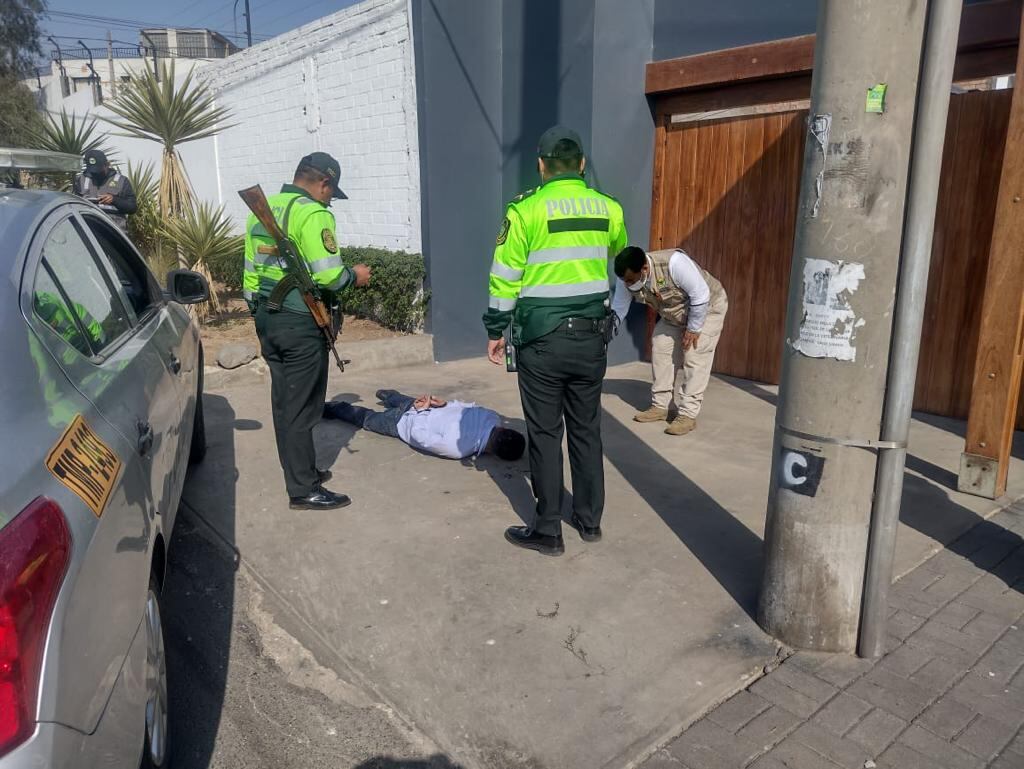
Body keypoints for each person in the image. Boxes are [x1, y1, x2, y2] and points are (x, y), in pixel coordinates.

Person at [483, 126, 627, 556]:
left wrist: (495, 330)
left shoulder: (524, 210)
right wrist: (614, 314)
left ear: (542, 165)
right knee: (587, 428)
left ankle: (548, 529)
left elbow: (504, 277)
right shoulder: (609, 209)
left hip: (541, 341)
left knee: (545, 433)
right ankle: (589, 520)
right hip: (591, 339)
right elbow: (621, 264)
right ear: (581, 164)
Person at [243, 151, 371, 511]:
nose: (330, 199)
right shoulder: (312, 214)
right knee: (302, 408)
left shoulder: (261, 210)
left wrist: (261, 314)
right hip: (300, 322)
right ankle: (302, 489)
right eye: (332, 192)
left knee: (286, 401)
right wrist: (355, 277)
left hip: (270, 318)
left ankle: (301, 470)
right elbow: (330, 274)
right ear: (323, 183)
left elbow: (250, 276)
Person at [611, 246, 728, 435]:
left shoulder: (674, 263)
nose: (627, 285)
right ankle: (660, 407)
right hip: (673, 314)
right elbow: (619, 308)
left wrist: (694, 329)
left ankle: (687, 415)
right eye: (624, 281)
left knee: (694, 354)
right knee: (661, 346)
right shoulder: (626, 277)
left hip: (707, 308)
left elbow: (701, 295)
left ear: (644, 269)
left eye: (631, 280)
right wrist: (608, 333)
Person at [323, 389, 526, 462]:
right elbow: (420, 438)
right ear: (494, 453)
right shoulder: (459, 449)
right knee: (366, 418)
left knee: (403, 400)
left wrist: (442, 404)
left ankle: (389, 396)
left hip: (418, 409)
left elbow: (466, 406)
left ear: (503, 429)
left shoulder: (492, 417)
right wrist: (427, 409)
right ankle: (332, 408)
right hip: (404, 421)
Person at [72, 149, 137, 232]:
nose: (95, 173)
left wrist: (114, 200)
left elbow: (132, 207)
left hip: (114, 234)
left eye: (98, 170)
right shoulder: (81, 180)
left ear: (107, 165)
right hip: (88, 232)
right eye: (92, 171)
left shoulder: (121, 181)